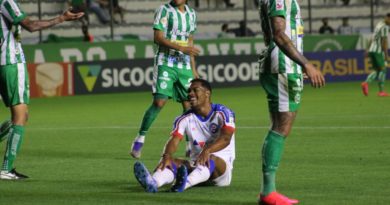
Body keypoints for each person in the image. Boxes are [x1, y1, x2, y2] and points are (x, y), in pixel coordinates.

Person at [0, 1, 84, 180]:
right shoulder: (6, 2)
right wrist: (61, 18)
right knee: (20, 116)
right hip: (11, 63)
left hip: (3, 64)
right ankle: (6, 169)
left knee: (22, 115)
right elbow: (30, 26)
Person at [258, 0, 325, 204]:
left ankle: (268, 191)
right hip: (283, 66)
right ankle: (268, 192)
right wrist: (305, 64)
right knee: (280, 127)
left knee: (279, 126)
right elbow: (278, 34)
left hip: (286, 66)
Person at [133, 79, 236, 193]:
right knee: (172, 162)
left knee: (210, 158)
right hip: (197, 168)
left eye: (195, 90)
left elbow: (226, 138)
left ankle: (184, 184)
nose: (190, 94)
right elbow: (174, 140)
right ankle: (153, 182)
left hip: (220, 173)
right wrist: (166, 156)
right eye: (189, 91)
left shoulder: (223, 113)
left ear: (207, 93)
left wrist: (207, 150)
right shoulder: (184, 118)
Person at [130, 0, 200, 159]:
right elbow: (158, 37)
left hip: (184, 65)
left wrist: (193, 68)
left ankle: (190, 145)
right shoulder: (164, 10)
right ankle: (140, 138)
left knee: (189, 105)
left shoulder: (191, 14)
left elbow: (190, 40)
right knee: (159, 102)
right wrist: (181, 48)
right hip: (165, 62)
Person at [361, 13, 390, 97]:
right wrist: (386, 55)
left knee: (377, 70)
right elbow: (384, 42)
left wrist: (367, 49)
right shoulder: (385, 27)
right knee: (383, 69)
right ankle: (381, 91)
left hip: (372, 50)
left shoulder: (379, 24)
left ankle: (366, 83)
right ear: (387, 18)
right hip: (378, 51)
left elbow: (372, 37)